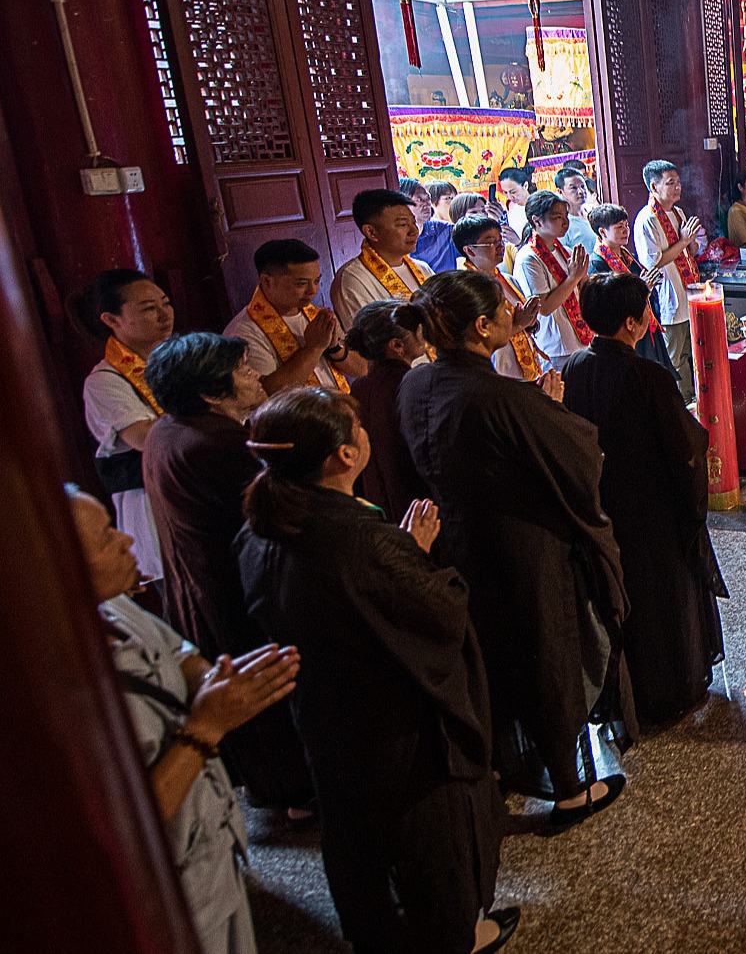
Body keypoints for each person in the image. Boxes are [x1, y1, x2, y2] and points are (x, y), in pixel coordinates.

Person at [234, 389, 517, 954]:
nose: (364, 433)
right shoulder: (364, 543)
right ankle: (452, 937)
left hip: (324, 715)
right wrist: (416, 551)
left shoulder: (259, 531)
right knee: (424, 848)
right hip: (397, 726)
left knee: (354, 844)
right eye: (356, 427)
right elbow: (441, 614)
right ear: (344, 455)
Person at [398, 270, 630, 823]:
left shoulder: (416, 384)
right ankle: (571, 788)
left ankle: (504, 767)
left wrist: (534, 411)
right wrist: (551, 410)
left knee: (489, 656)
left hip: (454, 539)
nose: (513, 312)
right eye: (503, 309)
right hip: (523, 547)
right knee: (546, 656)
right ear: (482, 326)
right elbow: (578, 457)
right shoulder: (500, 396)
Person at [73, 485, 296, 954]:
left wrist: (219, 681)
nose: (127, 541)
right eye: (106, 538)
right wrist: (207, 725)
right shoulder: (64, 685)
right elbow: (126, 821)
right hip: (167, 879)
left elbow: (178, 651)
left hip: (210, 845)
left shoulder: (114, 607)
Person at [142, 332, 313, 814]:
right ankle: (294, 792)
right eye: (241, 371)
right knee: (268, 691)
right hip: (236, 588)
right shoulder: (219, 443)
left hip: (198, 583)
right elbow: (279, 514)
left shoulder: (166, 430)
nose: (255, 374)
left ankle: (274, 786)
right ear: (210, 394)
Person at [561, 274, 727, 727]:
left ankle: (629, 693)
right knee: (663, 601)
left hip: (605, 505)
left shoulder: (575, 367)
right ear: (634, 323)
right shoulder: (647, 375)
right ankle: (671, 692)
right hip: (652, 509)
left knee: (621, 599)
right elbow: (684, 447)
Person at [76, 268, 174, 581]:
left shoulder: (176, 360)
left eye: (166, 303)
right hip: (154, 512)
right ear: (111, 320)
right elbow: (146, 437)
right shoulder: (104, 381)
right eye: (148, 308)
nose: (164, 314)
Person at [226, 239, 358, 396]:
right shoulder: (244, 332)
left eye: (316, 281)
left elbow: (362, 370)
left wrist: (334, 348)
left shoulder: (317, 315)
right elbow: (263, 394)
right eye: (301, 284)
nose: (313, 290)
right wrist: (313, 348)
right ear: (267, 281)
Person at [343, 301, 432, 521]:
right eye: (415, 330)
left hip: (378, 499)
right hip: (416, 498)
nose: (422, 333)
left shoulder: (360, 387)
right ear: (397, 346)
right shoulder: (414, 384)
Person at [632, 160, 705, 404]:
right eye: (670, 183)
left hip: (689, 294)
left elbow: (688, 252)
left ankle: (698, 397)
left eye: (678, 182)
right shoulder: (647, 219)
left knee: (695, 352)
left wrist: (692, 242)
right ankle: (681, 402)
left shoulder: (678, 212)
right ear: (654, 186)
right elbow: (654, 262)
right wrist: (684, 242)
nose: (677, 187)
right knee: (676, 356)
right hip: (669, 299)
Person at [453, 215, 549, 384]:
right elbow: (475, 339)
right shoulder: (465, 289)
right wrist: (518, 324)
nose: (500, 247)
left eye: (500, 240)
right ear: (469, 250)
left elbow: (525, 322)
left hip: (525, 367)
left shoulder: (507, 280)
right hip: (496, 371)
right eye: (490, 242)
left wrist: (530, 320)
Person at [330, 189, 433, 330]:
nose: (414, 231)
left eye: (413, 222)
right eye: (403, 225)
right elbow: (370, 338)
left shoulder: (422, 268)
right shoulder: (353, 278)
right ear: (371, 232)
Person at [511, 191, 593, 366]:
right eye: (557, 217)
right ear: (537, 220)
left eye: (565, 216)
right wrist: (573, 277)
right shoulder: (529, 258)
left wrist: (583, 278)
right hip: (556, 347)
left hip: (579, 340)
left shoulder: (564, 251)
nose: (565, 222)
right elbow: (544, 307)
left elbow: (580, 289)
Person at [411, 181, 461, 274]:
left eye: (428, 199)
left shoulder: (447, 231)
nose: (427, 204)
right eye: (419, 200)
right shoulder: (392, 238)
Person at [554, 170, 600, 255]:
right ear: (560, 191)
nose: (580, 191)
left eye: (583, 186)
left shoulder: (593, 211)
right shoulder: (563, 224)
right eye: (573, 188)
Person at [495, 166, 535, 240]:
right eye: (505, 192)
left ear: (525, 186)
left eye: (513, 192)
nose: (509, 197)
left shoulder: (537, 204)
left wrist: (518, 242)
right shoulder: (509, 206)